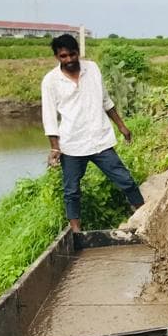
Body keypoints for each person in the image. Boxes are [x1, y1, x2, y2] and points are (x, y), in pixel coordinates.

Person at [42, 34, 144, 232]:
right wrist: (55, 148)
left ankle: (144, 215)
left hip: (99, 140)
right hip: (71, 144)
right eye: (63, 56)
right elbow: (49, 116)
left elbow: (106, 101)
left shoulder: (92, 69)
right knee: (71, 191)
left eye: (72, 54)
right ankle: (76, 232)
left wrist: (121, 126)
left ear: (78, 52)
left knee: (125, 180)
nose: (69, 60)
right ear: (57, 57)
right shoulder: (50, 81)